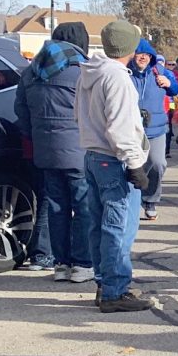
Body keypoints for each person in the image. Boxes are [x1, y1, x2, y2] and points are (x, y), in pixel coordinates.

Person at [76, 20, 153, 312]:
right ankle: (115, 290)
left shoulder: (89, 72)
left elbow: (80, 116)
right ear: (130, 46)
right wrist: (135, 163)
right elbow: (120, 126)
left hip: (94, 155)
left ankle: (104, 282)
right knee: (118, 228)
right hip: (115, 158)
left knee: (98, 225)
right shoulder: (118, 78)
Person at [14, 21, 91, 280]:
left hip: (44, 150)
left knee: (57, 207)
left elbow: (20, 111)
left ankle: (60, 265)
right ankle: (82, 264)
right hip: (78, 150)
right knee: (83, 207)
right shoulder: (81, 70)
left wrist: (34, 135)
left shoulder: (31, 71)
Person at [129, 38, 178, 220]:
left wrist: (169, 83)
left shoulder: (160, 71)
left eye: (146, 54)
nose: (143, 57)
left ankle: (150, 199)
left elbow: (175, 90)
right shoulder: (126, 73)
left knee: (158, 164)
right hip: (132, 129)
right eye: (139, 53)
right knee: (135, 165)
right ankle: (134, 199)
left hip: (156, 128)